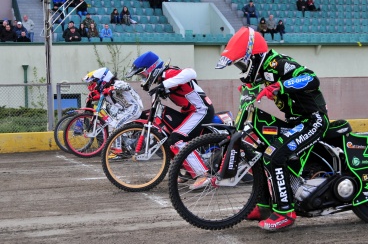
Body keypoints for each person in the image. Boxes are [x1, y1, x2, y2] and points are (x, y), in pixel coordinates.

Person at [216, 27, 330, 231]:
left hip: (313, 121)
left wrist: (281, 86)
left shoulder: (279, 64)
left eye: (243, 63)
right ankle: (263, 206)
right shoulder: (259, 71)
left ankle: (285, 212)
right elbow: (249, 94)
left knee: (273, 155)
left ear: (254, 56)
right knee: (260, 152)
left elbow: (312, 79)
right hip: (294, 122)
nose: (242, 68)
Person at [126, 51, 215, 190]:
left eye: (142, 74)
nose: (142, 78)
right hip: (190, 112)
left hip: (201, 110)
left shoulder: (168, 73)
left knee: (176, 139)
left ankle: (203, 174)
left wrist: (164, 85)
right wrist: (162, 87)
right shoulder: (163, 79)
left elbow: (191, 73)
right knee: (169, 138)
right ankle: (188, 172)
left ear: (151, 69)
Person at [83, 67, 144, 152]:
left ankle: (118, 150)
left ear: (102, 79)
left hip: (133, 108)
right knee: (111, 124)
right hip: (124, 110)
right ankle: (123, 147)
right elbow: (103, 95)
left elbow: (127, 86)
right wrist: (92, 97)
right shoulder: (105, 89)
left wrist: (112, 88)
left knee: (117, 126)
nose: (92, 84)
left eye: (94, 82)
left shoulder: (117, 83)